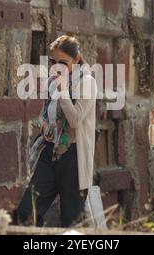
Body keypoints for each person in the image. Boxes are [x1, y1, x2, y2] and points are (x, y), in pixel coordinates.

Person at [16, 35, 98, 228]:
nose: (57, 66)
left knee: (71, 222)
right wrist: (44, 124)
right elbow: (47, 113)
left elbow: (75, 120)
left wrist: (63, 91)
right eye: (53, 61)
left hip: (73, 156)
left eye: (63, 62)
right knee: (27, 211)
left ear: (76, 59)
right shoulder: (54, 81)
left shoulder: (87, 82)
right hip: (49, 152)